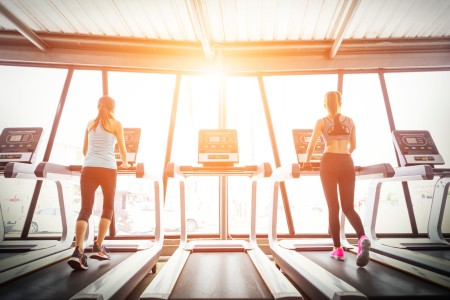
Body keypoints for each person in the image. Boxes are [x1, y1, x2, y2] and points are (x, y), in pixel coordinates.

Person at [304, 90, 371, 267]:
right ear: (341, 102)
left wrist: (306, 162)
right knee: (348, 207)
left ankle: (337, 248)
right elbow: (353, 145)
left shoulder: (321, 121)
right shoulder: (350, 121)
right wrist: (345, 156)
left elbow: (311, 147)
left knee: (333, 207)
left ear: (325, 104)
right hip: (346, 161)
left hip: (328, 161)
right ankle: (362, 237)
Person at [68, 95, 129, 270]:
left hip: (88, 168)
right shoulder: (116, 124)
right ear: (113, 108)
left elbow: (85, 150)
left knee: (85, 209)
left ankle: (78, 251)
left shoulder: (89, 123)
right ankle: (98, 246)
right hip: (108, 169)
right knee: (108, 207)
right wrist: (124, 163)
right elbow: (123, 151)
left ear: (98, 107)